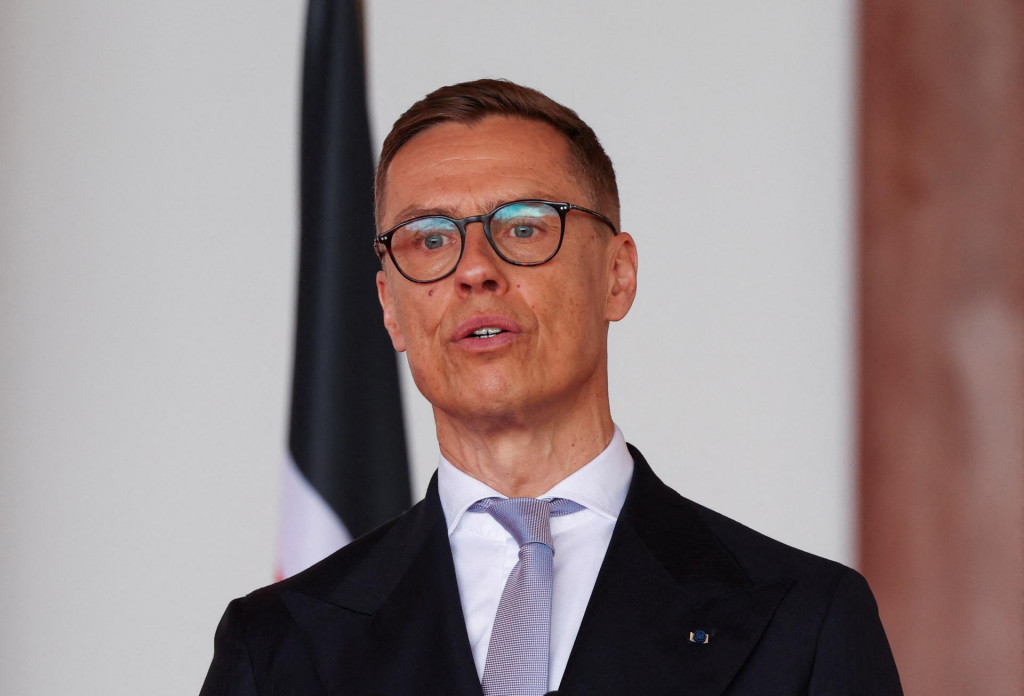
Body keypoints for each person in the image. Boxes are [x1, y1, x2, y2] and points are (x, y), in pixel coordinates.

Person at [200, 79, 902, 695]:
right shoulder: (277, 644)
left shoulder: (805, 620)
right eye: (431, 239)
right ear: (390, 307)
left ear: (617, 276)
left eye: (524, 227)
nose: (475, 269)